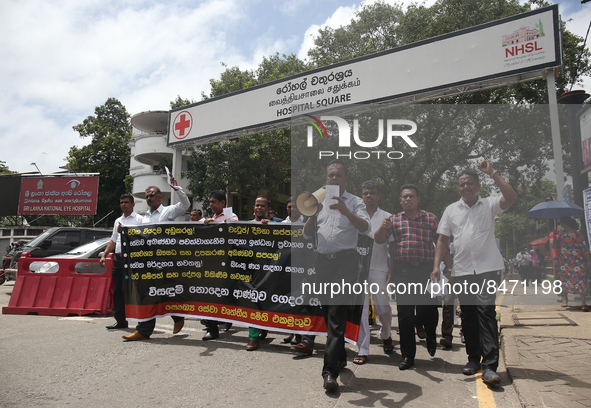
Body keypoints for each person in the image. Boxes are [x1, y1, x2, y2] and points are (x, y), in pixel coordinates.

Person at [431, 160, 517, 385]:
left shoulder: (489, 204)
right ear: (458, 188)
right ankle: (472, 359)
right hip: (462, 271)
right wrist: (436, 267)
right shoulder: (451, 210)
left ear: (478, 186)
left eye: (470, 183)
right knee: (468, 315)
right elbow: (442, 239)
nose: (465, 187)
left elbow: (511, 197)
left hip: (488, 269)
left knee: (485, 313)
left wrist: (493, 173)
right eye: (461, 184)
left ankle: (490, 366)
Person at [302, 160, 370, 391]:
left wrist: (345, 211)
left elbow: (365, 228)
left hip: (345, 262)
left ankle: (329, 372)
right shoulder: (317, 201)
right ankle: (340, 357)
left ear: (345, 179)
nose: (333, 179)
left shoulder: (355, 202)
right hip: (323, 263)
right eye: (330, 176)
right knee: (328, 311)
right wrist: (313, 214)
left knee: (337, 315)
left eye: (338, 176)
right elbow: (306, 235)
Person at [374, 184, 439, 370]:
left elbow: (441, 243)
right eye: (404, 197)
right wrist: (382, 226)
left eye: (411, 196)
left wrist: (440, 267)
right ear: (400, 200)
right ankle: (407, 355)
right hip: (403, 271)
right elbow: (379, 240)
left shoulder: (431, 218)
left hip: (426, 270)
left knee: (428, 310)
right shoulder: (393, 220)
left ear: (418, 199)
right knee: (405, 314)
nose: (408, 199)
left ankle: (431, 336)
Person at [123, 178, 191, 341]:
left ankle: (177, 316)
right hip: (146, 262)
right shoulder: (143, 218)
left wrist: (177, 189)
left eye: (152, 195)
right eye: (147, 196)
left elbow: (185, 205)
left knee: (166, 292)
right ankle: (143, 330)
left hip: (164, 261)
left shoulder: (168, 211)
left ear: (160, 197)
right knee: (146, 294)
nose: (149, 198)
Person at [353, 181, 393, 365]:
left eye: (372, 193)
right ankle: (362, 349)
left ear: (378, 196)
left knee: (383, 307)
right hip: (358, 270)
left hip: (379, 268)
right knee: (361, 311)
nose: (368, 195)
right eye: (365, 193)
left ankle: (386, 334)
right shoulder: (354, 216)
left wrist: (391, 269)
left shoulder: (387, 217)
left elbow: (391, 245)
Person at [100, 194, 143, 329]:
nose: (123, 204)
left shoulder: (140, 220)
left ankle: (143, 321)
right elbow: (113, 240)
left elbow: (142, 239)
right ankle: (120, 320)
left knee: (135, 290)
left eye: (126, 202)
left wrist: (125, 232)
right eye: (121, 202)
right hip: (118, 258)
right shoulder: (118, 220)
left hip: (133, 258)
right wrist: (104, 254)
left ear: (133, 204)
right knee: (118, 290)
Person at [201, 190, 239, 340]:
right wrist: (205, 225)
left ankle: (227, 318)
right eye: (210, 202)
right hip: (212, 262)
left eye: (214, 202)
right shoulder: (211, 218)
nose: (211, 205)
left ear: (223, 203)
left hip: (226, 263)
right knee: (209, 294)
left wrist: (216, 224)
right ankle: (212, 328)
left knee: (225, 295)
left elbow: (233, 229)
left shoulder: (231, 216)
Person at [550, 216, 590, 311]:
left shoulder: (577, 234)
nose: (560, 226)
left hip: (577, 259)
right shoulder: (562, 235)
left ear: (566, 224)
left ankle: (583, 302)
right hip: (565, 260)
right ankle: (565, 300)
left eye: (561, 224)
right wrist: (555, 235)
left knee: (581, 279)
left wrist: (589, 260)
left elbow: (584, 248)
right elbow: (555, 245)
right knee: (565, 279)